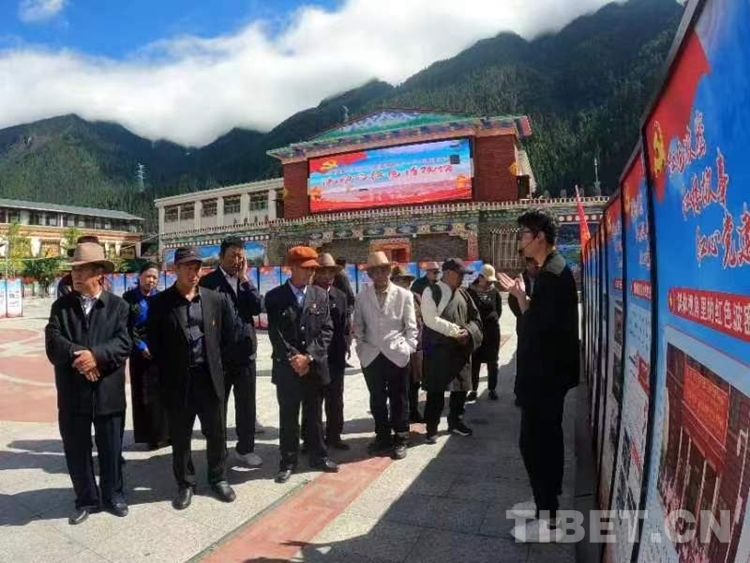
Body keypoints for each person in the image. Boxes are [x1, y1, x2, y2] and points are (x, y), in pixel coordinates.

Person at [498, 207, 580, 543]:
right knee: (545, 442)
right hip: (550, 376)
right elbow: (542, 321)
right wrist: (523, 299)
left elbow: (537, 329)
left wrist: (521, 299)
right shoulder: (552, 270)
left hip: (545, 378)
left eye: (524, 234)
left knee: (535, 446)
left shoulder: (552, 274)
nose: (520, 240)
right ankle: (547, 504)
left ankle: (548, 519)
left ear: (540, 237)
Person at [45, 242, 131, 525]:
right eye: (74, 270)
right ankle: (85, 499)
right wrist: (81, 357)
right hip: (73, 393)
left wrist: (97, 357)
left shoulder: (118, 306)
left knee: (111, 449)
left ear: (100, 274)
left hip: (108, 392)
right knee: (76, 449)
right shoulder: (61, 307)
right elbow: (53, 343)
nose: (76, 275)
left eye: (83, 270)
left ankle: (113, 495)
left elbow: (123, 343)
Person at [148, 247, 237, 510]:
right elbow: (155, 343)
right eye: (187, 267)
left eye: (197, 267)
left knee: (216, 432)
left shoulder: (214, 299)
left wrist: (217, 366)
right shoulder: (160, 303)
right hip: (179, 381)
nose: (193, 272)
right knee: (181, 435)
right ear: (175, 269)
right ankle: (185, 483)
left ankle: (218, 477)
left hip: (209, 379)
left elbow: (227, 337)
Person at [265, 246, 337, 483]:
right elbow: (276, 333)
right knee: (288, 416)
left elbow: (327, 330)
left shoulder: (320, 295)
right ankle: (288, 461)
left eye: (313, 269)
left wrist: (309, 357)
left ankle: (318, 455)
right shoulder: (275, 297)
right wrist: (295, 358)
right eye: (306, 268)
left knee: (314, 414)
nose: (311, 273)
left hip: (313, 367)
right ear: (292, 268)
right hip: (287, 368)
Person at [199, 237, 263, 467]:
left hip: (245, 354)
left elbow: (257, 307)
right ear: (221, 257)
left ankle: (245, 449)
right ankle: (219, 449)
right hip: (220, 358)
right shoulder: (208, 283)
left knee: (246, 405)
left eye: (241, 256)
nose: (237, 261)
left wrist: (245, 279)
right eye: (232, 256)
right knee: (219, 407)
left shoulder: (245, 281)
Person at [354, 252, 418, 460]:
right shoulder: (362, 297)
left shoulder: (404, 295)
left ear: (390, 271)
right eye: (375, 271)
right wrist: (361, 349)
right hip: (371, 355)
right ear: (370, 274)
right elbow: (358, 326)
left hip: (396, 353)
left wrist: (408, 347)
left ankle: (401, 437)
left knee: (399, 397)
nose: (380, 274)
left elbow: (411, 326)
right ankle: (382, 436)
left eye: (384, 269)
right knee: (377, 398)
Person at [421, 258, 483, 443]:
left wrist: (468, 332)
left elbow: (476, 319)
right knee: (435, 392)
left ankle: (455, 422)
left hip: (460, 350)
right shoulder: (431, 291)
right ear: (448, 273)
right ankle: (431, 428)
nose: (463, 278)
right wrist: (456, 332)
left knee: (460, 390)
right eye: (460, 274)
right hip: (438, 351)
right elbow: (430, 319)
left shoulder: (464, 294)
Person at [122, 262, 169, 450]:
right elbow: (127, 326)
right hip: (139, 354)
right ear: (139, 276)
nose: (151, 280)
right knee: (144, 395)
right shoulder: (129, 298)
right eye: (148, 276)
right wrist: (141, 346)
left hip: (159, 352)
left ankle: (165, 433)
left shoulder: (161, 298)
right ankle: (150, 437)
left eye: (155, 277)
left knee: (162, 394)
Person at [308, 253, 351, 450]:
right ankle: (310, 439)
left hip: (335, 356)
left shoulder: (340, 296)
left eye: (331, 272)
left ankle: (334, 435)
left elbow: (344, 324)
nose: (327, 276)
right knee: (313, 400)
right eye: (323, 272)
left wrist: (347, 344)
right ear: (315, 273)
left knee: (335, 399)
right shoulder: (308, 294)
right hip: (314, 355)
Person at [390, 264, 424, 423]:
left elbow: (423, 319)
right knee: (398, 385)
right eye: (401, 280)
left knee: (415, 382)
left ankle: (414, 411)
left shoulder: (416, 297)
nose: (405, 283)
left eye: (407, 280)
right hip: (397, 348)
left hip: (417, 347)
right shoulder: (390, 299)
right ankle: (397, 416)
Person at [466, 264, 503, 402]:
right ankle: (474, 390)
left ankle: (492, 389)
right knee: (475, 361)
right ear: (480, 277)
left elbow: (498, 310)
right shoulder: (469, 292)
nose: (489, 283)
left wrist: (492, 321)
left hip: (492, 332)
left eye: (491, 281)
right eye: (487, 280)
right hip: (476, 332)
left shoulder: (494, 291)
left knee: (492, 362)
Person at [508, 255, 539, 407]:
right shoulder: (520, 279)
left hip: (540, 326)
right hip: (524, 326)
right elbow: (512, 302)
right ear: (528, 265)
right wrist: (524, 314)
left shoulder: (544, 279)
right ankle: (520, 394)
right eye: (535, 266)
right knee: (523, 360)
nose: (537, 268)